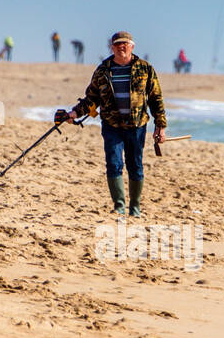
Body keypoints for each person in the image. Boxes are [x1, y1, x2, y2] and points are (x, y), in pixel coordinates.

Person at [59, 31, 166, 217]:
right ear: (112, 47)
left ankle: (135, 208)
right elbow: (91, 98)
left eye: (125, 44)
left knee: (135, 165)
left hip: (137, 125)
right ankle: (119, 206)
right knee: (114, 163)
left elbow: (155, 98)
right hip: (112, 126)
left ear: (132, 46)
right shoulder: (103, 70)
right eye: (117, 44)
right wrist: (74, 113)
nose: (121, 47)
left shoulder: (145, 69)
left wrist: (160, 125)